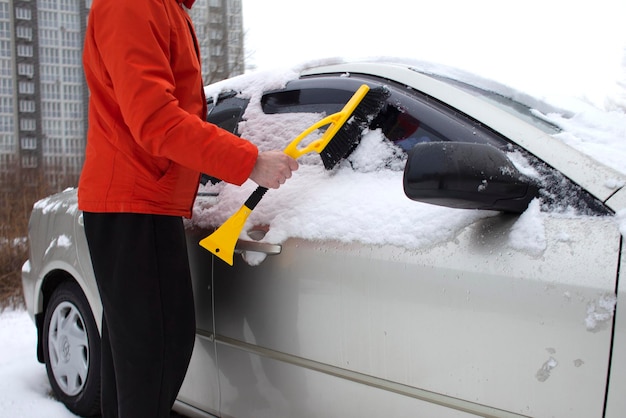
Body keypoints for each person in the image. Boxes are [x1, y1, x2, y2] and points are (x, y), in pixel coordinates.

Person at [78, 0, 298, 417]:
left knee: (136, 365)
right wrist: (249, 160)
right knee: (153, 359)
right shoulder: (133, 5)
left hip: (143, 201)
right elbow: (156, 119)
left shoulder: (164, 8)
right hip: (134, 203)